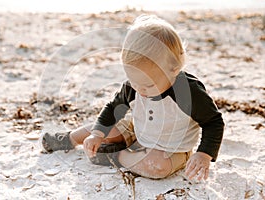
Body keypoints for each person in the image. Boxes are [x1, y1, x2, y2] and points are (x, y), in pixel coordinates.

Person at [40, 14, 224, 180]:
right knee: (105, 128)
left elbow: (213, 123)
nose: (139, 90)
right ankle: (69, 139)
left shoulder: (188, 92)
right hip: (137, 129)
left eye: (148, 85)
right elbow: (112, 108)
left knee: (157, 167)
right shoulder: (133, 86)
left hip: (172, 147)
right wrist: (97, 134)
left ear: (174, 69)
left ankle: (115, 156)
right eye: (134, 81)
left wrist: (204, 154)